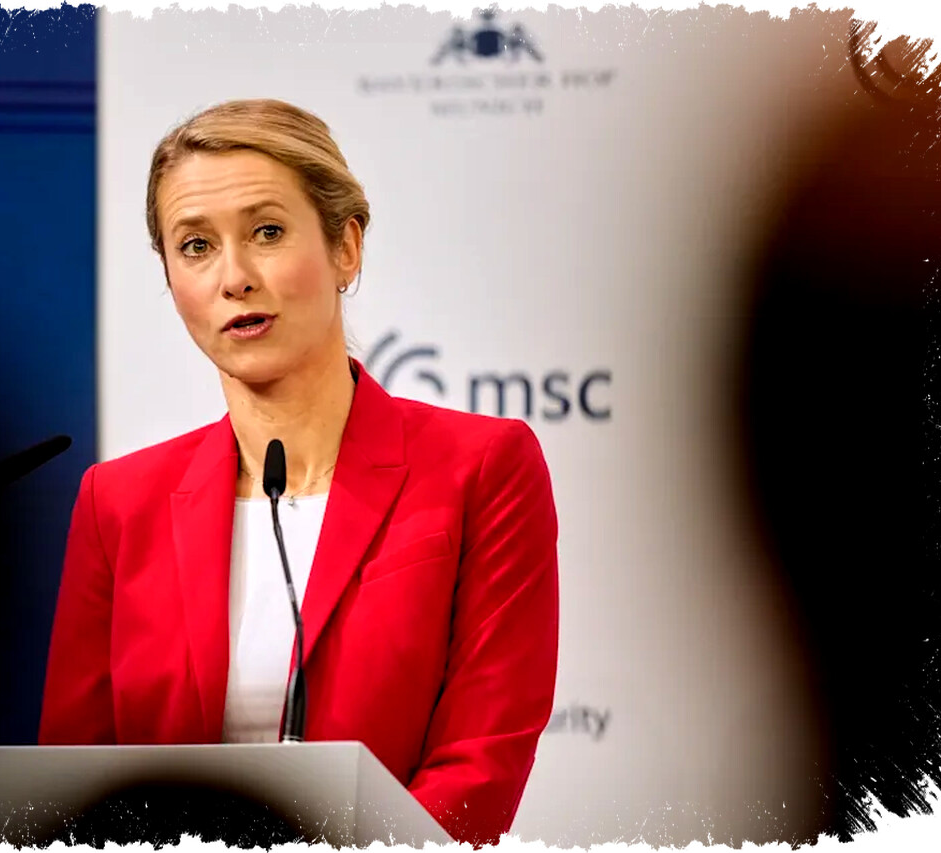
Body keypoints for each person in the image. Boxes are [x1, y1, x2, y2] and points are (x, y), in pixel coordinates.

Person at [38, 98, 559, 846]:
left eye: (268, 232)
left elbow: (481, 762)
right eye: (195, 246)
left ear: (346, 247)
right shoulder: (117, 502)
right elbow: (72, 782)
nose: (234, 277)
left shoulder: (481, 468)